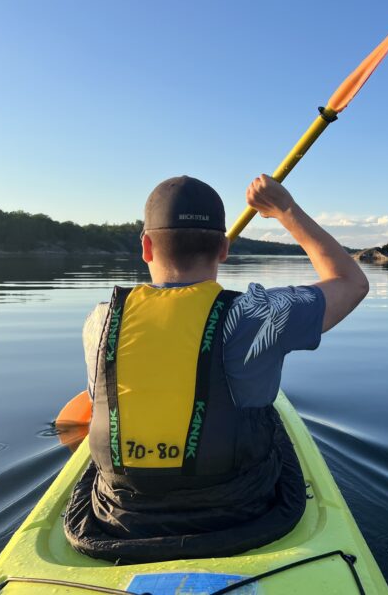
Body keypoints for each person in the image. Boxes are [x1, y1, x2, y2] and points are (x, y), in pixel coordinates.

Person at [63, 174, 369, 563]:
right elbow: (351, 282)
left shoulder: (100, 322)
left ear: (145, 246)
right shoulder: (258, 314)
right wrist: (285, 211)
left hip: (122, 518)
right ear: (224, 249)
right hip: (243, 512)